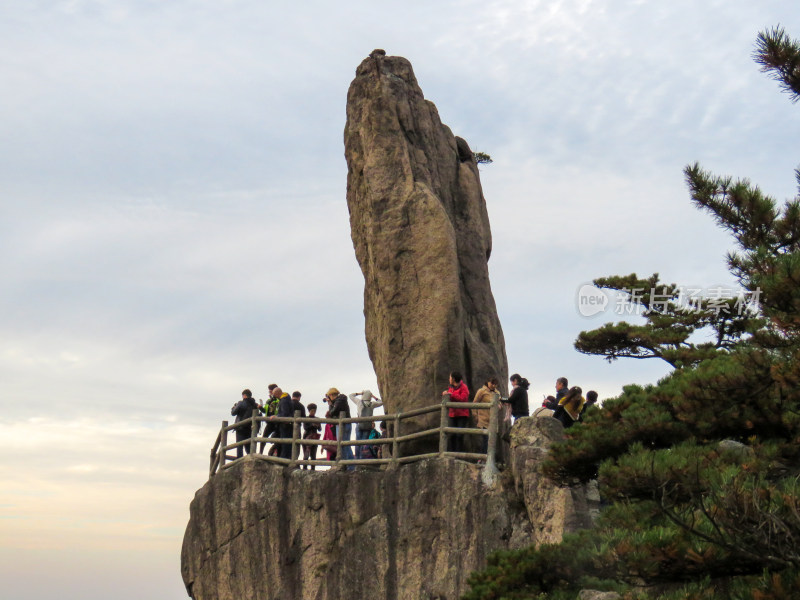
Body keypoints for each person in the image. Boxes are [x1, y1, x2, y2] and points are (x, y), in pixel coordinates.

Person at [349, 389, 383, 459]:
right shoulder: (372, 404)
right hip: (368, 426)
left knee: (357, 443)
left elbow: (351, 396)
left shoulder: (359, 402)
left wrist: (359, 393)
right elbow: (381, 402)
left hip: (359, 424)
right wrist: (374, 397)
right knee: (364, 443)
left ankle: (357, 459)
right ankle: (362, 459)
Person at [442, 371, 470, 453]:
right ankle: (451, 453)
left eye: (450, 377)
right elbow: (449, 396)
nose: (449, 379)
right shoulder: (451, 387)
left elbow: (463, 398)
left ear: (453, 379)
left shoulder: (464, 387)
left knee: (459, 435)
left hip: (462, 415)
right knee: (451, 434)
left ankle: (458, 454)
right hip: (452, 414)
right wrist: (445, 394)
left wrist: (451, 395)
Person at [474, 377, 500, 454]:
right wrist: (475, 416)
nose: (493, 385)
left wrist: (499, 406)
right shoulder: (481, 391)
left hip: (493, 420)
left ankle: (489, 459)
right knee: (485, 439)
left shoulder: (497, 393)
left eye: (495, 384)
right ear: (488, 382)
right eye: (492, 383)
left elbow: (500, 403)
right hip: (483, 419)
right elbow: (475, 403)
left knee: (491, 441)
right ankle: (483, 458)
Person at [327, 387, 354, 462]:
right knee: (344, 444)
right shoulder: (340, 400)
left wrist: (330, 404)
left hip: (343, 425)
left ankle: (349, 465)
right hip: (345, 424)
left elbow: (332, 412)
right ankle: (347, 464)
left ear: (331, 395)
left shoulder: (339, 401)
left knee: (344, 445)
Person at [231, 389, 258, 459]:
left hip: (240, 427)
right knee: (248, 446)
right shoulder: (254, 405)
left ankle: (239, 460)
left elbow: (233, 413)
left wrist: (233, 407)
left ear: (244, 395)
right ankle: (251, 459)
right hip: (250, 427)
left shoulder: (241, 403)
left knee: (239, 445)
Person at [269, 387, 293, 459]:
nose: (273, 396)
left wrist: (276, 416)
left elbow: (284, 413)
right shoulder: (287, 399)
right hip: (288, 424)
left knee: (285, 443)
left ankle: (284, 459)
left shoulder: (283, 401)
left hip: (285, 425)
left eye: (274, 394)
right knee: (287, 443)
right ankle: (286, 458)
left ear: (277, 393)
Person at [259, 384, 280, 453]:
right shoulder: (268, 401)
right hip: (269, 422)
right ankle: (260, 453)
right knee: (264, 438)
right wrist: (260, 407)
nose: (270, 393)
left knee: (277, 439)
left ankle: (275, 453)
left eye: (271, 391)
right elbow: (266, 411)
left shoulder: (279, 400)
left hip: (277, 422)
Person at [302, 403, 321, 470]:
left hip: (315, 437)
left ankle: (313, 468)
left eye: (314, 411)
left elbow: (320, 429)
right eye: (312, 411)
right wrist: (312, 425)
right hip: (307, 436)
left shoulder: (317, 419)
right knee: (306, 454)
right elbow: (305, 428)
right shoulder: (306, 418)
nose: (313, 412)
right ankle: (305, 468)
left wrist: (318, 425)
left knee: (313, 454)